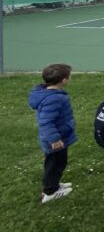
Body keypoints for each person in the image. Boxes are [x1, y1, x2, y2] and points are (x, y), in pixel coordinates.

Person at [29, 63, 77, 204]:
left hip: (59, 137)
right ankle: (50, 191)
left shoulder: (49, 94)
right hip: (55, 140)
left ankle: (54, 184)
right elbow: (46, 122)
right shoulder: (54, 98)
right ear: (64, 80)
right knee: (55, 164)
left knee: (57, 162)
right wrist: (54, 139)